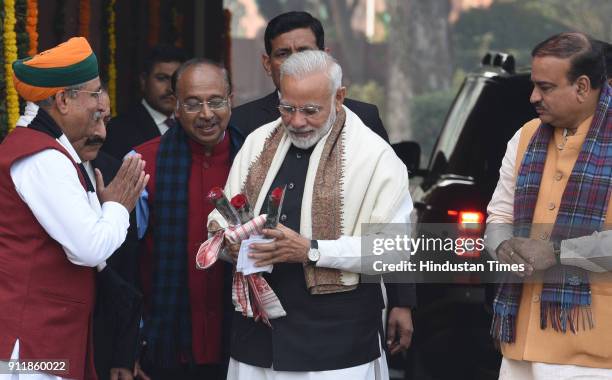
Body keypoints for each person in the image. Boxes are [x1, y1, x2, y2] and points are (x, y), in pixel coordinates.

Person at [210, 50, 413, 380]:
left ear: (339, 97)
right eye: (287, 108)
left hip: (337, 343)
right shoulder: (257, 143)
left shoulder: (375, 158)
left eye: (310, 110)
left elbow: (392, 250)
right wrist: (229, 244)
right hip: (258, 340)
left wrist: (312, 250)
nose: (296, 121)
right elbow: (222, 219)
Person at [0, 37, 148, 380]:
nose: (102, 102)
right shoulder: (41, 158)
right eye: (95, 93)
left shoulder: (51, 151)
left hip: (48, 334)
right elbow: (89, 248)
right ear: (63, 99)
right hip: (30, 345)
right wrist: (118, 207)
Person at [485, 32, 612, 379]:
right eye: (533, 85)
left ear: (582, 87)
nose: (533, 97)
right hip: (519, 343)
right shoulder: (525, 136)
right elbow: (499, 214)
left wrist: (556, 254)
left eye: (546, 87)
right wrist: (503, 246)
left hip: (593, 352)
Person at [134, 59, 244, 379]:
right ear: (177, 108)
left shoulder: (256, 159)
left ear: (231, 100)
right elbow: (124, 261)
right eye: (193, 104)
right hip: (165, 344)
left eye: (216, 102)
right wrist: (126, 343)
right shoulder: (141, 162)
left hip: (241, 342)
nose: (207, 114)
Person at [230, 10, 389, 142]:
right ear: (267, 64)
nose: (295, 61)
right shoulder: (242, 123)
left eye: (304, 51)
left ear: (325, 57)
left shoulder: (364, 118)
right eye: (283, 53)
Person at [103, 45, 187, 160]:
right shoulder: (118, 130)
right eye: (162, 78)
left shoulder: (189, 123)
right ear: (143, 81)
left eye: (176, 80)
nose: (170, 88)